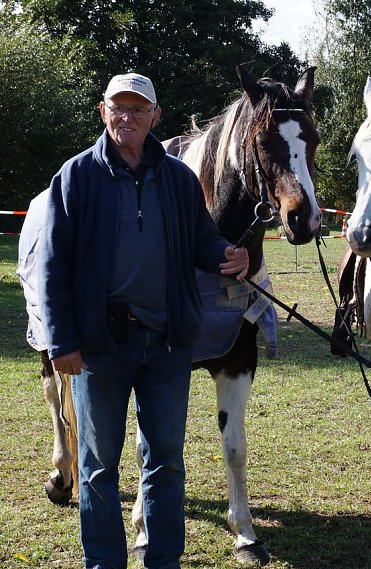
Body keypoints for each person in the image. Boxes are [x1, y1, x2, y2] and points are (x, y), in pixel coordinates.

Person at [38, 72, 249, 569]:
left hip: (167, 345)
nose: (128, 116)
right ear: (103, 111)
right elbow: (51, 266)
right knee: (97, 469)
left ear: (156, 117)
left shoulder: (178, 178)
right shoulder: (75, 177)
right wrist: (61, 341)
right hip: (97, 347)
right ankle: (105, 563)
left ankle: (163, 561)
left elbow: (201, 239)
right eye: (120, 107)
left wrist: (226, 253)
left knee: (166, 465)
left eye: (139, 108)